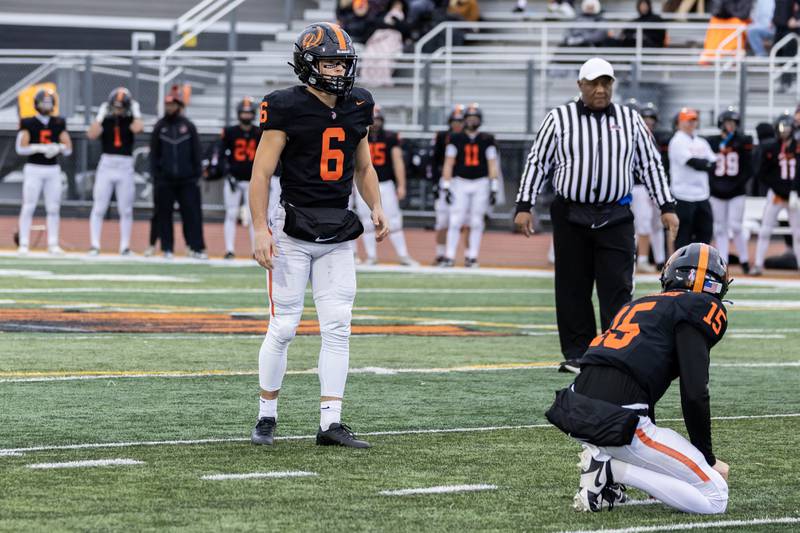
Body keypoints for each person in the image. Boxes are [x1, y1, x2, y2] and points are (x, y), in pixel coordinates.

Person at [249, 22, 388, 448]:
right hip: (292, 229)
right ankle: (267, 415)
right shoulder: (284, 106)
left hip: (338, 229)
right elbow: (262, 171)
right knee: (285, 326)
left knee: (338, 326)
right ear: (307, 64)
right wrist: (259, 229)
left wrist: (376, 204)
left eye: (343, 63)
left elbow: (363, 166)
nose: (338, 72)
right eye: (330, 63)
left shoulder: (358, 104)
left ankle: (331, 421)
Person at [515, 58, 678, 372]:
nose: (601, 90)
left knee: (617, 286)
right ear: (580, 85)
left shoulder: (631, 121)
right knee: (572, 287)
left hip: (615, 213)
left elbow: (650, 164)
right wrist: (525, 205)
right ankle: (579, 353)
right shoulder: (558, 118)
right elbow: (538, 162)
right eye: (594, 83)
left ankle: (617, 352)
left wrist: (666, 206)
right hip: (571, 213)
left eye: (606, 83)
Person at [545, 243, 730, 514]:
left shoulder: (639, 305)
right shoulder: (698, 307)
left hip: (576, 407)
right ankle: (610, 470)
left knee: (663, 461)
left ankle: (605, 473)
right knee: (715, 497)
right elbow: (694, 392)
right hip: (618, 418)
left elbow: (641, 385)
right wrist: (707, 457)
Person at [355, 105, 418, 265]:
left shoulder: (390, 137)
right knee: (367, 222)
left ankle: (403, 255)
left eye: (378, 119)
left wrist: (401, 185)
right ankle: (371, 256)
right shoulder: (359, 135)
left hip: (385, 183)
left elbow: (398, 163)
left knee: (395, 220)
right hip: (364, 184)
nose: (375, 123)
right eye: (373, 119)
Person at [149, 85, 206, 259]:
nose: (170, 108)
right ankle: (167, 248)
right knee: (164, 215)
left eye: (173, 105)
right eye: (167, 105)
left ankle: (196, 248)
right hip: (165, 180)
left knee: (192, 215)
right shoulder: (160, 127)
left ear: (180, 106)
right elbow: (154, 154)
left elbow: (196, 152)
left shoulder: (189, 127)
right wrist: (156, 176)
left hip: (187, 180)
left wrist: (197, 175)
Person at [86, 87, 143, 256]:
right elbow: (92, 134)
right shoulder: (106, 119)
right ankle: (94, 245)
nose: (118, 110)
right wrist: (100, 115)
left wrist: (136, 111)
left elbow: (138, 128)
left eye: (121, 106)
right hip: (107, 165)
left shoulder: (131, 120)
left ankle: (124, 246)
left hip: (125, 165)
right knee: (99, 207)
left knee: (125, 209)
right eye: (115, 106)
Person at [440, 103, 499, 268]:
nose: (472, 121)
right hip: (460, 182)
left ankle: (472, 256)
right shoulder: (455, 138)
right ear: (464, 120)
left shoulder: (487, 139)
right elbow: (449, 163)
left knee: (477, 221)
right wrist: (446, 184)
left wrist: (493, 186)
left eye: (475, 118)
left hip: (481, 182)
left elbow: (492, 164)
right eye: (470, 118)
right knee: (455, 219)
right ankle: (449, 255)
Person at [15, 88, 72, 255]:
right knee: (28, 205)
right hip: (34, 168)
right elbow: (20, 148)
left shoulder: (59, 122)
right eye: (43, 102)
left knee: (53, 207)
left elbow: (68, 148)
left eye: (49, 102)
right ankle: (24, 243)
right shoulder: (28, 122)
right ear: (36, 104)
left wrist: (58, 148)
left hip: (52, 169)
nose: (46, 106)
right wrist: (39, 148)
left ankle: (53, 243)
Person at [751, 112, 800, 275]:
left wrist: (795, 190)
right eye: (782, 128)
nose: (784, 131)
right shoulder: (771, 146)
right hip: (776, 195)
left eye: (787, 127)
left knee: (798, 233)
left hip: (794, 195)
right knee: (765, 230)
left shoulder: (797, 146)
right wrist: (778, 187)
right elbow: (762, 171)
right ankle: (758, 264)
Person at [706, 107, 753, 272]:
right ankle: (723, 263)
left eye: (733, 122)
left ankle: (745, 261)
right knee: (719, 228)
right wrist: (714, 184)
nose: (731, 126)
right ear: (721, 123)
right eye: (728, 122)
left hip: (736, 190)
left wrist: (736, 184)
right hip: (717, 191)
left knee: (736, 226)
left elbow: (749, 167)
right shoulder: (712, 141)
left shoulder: (742, 141)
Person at [668, 107, 716, 250]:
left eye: (693, 120)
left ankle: (702, 267)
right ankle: (681, 268)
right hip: (683, 195)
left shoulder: (701, 142)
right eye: (688, 120)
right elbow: (693, 163)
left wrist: (704, 164)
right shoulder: (677, 141)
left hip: (702, 195)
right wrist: (704, 164)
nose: (691, 123)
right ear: (680, 122)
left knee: (705, 234)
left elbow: (713, 163)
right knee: (683, 236)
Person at [220, 96, 259, 259]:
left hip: (253, 180)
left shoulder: (259, 132)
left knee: (253, 216)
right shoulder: (230, 132)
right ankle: (229, 249)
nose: (246, 116)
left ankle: (254, 251)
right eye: (243, 113)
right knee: (231, 213)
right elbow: (220, 155)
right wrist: (227, 173)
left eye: (249, 113)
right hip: (234, 179)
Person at [633, 103, 669, 271]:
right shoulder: (633, 136)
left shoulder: (657, 138)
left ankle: (661, 260)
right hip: (639, 185)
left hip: (654, 185)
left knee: (657, 223)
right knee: (644, 223)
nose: (648, 122)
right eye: (645, 119)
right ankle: (642, 258)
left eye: (651, 119)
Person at [432, 104, 465, 264]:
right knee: (442, 220)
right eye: (454, 120)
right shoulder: (443, 136)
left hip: (463, 182)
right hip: (445, 180)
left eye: (460, 120)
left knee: (463, 221)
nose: (457, 124)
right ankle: (440, 254)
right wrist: (435, 183)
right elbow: (435, 160)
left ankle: (467, 255)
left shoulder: (473, 138)